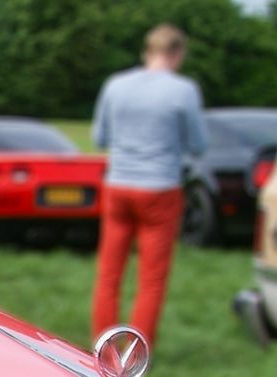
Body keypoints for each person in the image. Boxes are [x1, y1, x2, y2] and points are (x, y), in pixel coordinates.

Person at [90, 23, 207, 347]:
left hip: (119, 184)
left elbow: (100, 137)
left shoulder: (116, 84)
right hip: (160, 188)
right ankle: (136, 354)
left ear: (147, 51)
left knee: (110, 273)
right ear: (177, 53)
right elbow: (198, 143)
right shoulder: (183, 90)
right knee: (151, 279)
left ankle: (105, 348)